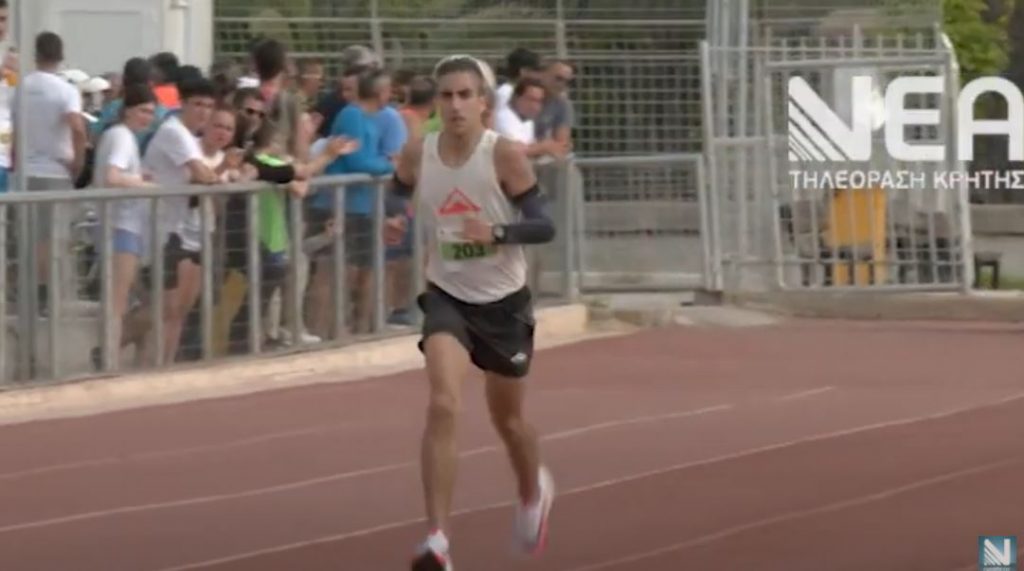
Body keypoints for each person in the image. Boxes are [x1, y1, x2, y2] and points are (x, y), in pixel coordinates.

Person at [383, 55, 557, 571]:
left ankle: (533, 490)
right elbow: (398, 189)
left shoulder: (503, 154)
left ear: (483, 102)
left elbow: (543, 225)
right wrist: (395, 217)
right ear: (437, 102)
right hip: (448, 295)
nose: (455, 105)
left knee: (510, 422)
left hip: (504, 303)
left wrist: (496, 233)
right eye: (446, 95)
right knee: (442, 403)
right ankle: (437, 539)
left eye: (465, 95)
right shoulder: (419, 150)